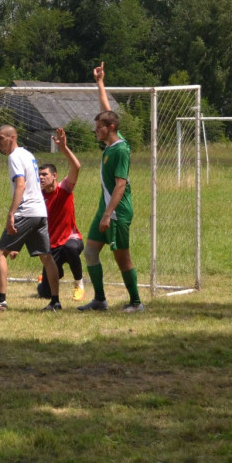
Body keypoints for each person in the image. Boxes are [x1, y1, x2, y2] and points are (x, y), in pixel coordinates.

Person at [78, 62, 144, 313]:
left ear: (111, 129)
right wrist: (100, 83)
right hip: (104, 209)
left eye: (99, 128)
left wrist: (108, 214)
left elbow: (120, 185)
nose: (96, 131)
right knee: (91, 251)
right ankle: (100, 300)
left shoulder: (121, 150)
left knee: (122, 257)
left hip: (116, 212)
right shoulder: (110, 141)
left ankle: (136, 303)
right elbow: (107, 111)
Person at [0, 124, 62, 312]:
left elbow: (21, 185)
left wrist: (12, 213)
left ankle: (0, 300)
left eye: (1, 138)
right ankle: (55, 301)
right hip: (40, 211)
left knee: (0, 253)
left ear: (12, 137)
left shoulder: (14, 157)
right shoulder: (28, 154)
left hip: (26, 211)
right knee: (46, 257)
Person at [35, 126, 86, 302]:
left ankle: (79, 284)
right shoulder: (37, 196)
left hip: (71, 240)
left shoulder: (64, 188)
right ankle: (45, 280)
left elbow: (76, 166)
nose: (41, 178)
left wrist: (63, 147)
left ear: (55, 176)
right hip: (52, 247)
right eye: (39, 175)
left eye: (44, 174)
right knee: (45, 293)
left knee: (71, 248)